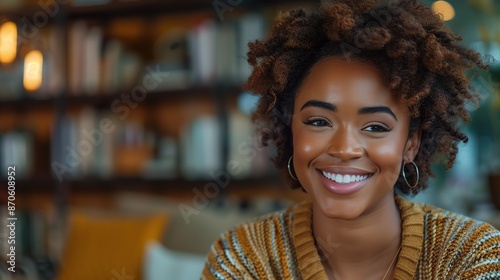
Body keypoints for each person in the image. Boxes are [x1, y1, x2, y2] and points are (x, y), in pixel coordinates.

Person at [201, 0, 500, 279]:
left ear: (411, 143)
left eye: (375, 127)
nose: (344, 149)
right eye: (319, 121)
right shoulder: (241, 258)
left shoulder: (472, 256)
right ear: (290, 130)